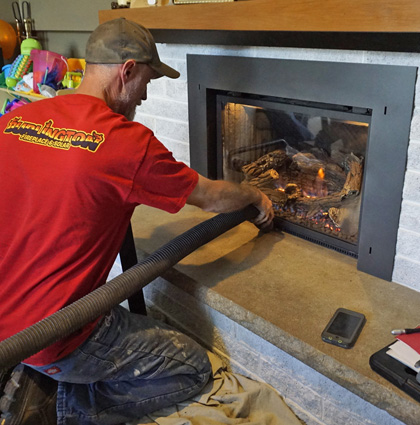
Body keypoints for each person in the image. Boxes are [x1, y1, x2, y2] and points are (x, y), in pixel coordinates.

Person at [0, 18, 274, 425]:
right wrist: (254, 194)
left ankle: (42, 379)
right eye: (145, 81)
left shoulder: (17, 120)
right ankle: (67, 408)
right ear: (126, 71)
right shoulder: (126, 143)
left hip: (7, 324)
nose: (144, 97)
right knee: (194, 368)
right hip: (57, 338)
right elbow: (213, 198)